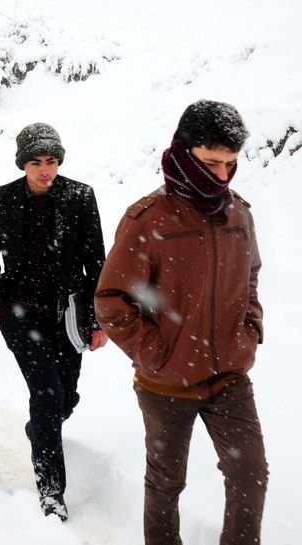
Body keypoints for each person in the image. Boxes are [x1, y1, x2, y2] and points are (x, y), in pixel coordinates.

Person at [94, 100, 268, 545]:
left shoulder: (239, 214)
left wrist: (249, 332)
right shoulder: (148, 218)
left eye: (231, 164)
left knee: (250, 474)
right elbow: (112, 301)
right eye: (212, 162)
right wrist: (157, 354)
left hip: (229, 375)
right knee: (166, 483)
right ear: (184, 153)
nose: (223, 175)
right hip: (166, 383)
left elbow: (250, 278)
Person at [0, 123, 107, 520]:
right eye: (36, 162)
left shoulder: (80, 197)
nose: (45, 169)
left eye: (51, 161)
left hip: (69, 312)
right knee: (47, 393)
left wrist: (98, 320)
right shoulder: (0, 200)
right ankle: (51, 494)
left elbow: (96, 261)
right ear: (23, 163)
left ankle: (40, 429)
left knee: (66, 397)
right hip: (21, 315)